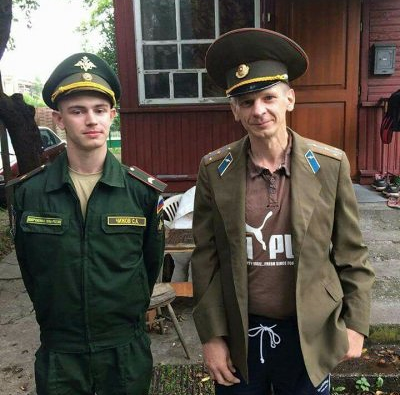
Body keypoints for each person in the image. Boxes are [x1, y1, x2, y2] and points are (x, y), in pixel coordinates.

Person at [191, 28, 375, 395]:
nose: (258, 110)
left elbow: (351, 253)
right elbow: (206, 259)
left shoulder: (330, 165)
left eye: (268, 97)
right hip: (241, 335)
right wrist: (211, 336)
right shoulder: (215, 170)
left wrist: (356, 324)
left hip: (310, 332)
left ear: (289, 99)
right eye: (246, 102)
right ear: (234, 110)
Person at [11, 53, 166, 395]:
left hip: (124, 350)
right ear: (59, 119)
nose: (91, 119)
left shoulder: (141, 192)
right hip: (60, 351)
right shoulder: (30, 193)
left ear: (112, 115)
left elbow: (150, 264)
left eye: (99, 109)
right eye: (77, 111)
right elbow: (30, 269)